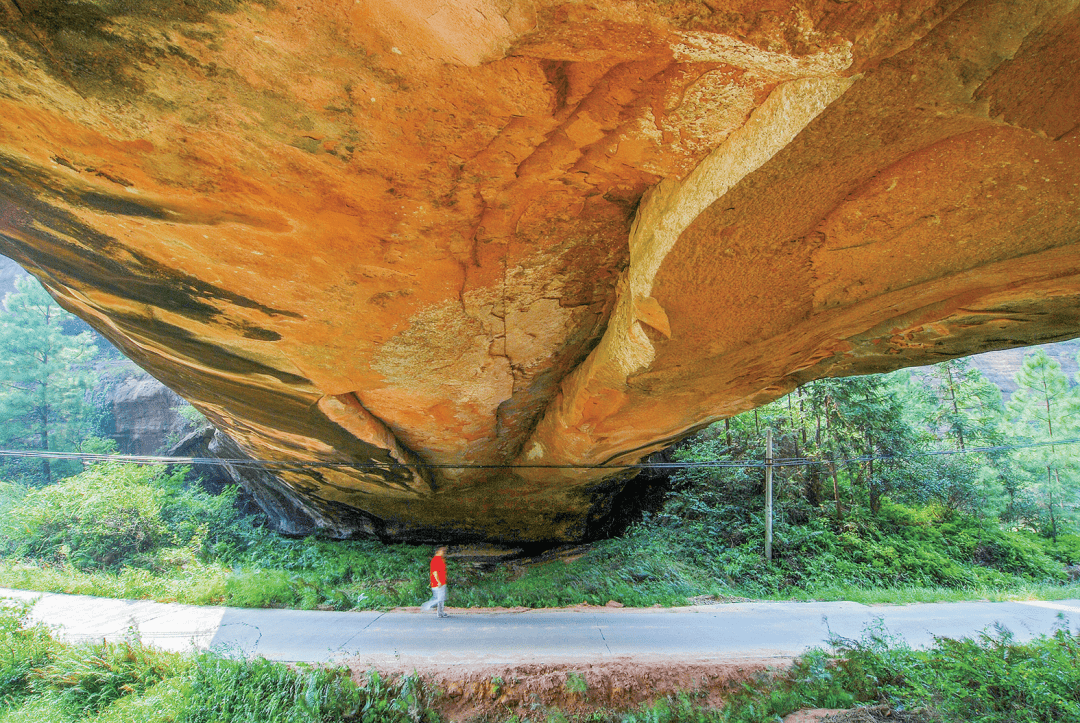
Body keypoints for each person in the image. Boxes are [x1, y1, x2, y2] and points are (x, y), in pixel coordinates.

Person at [420, 546, 449, 617]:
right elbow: (435, 572)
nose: (444, 552)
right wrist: (438, 581)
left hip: (442, 582)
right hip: (438, 583)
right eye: (442, 551)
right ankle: (427, 605)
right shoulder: (436, 560)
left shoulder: (441, 559)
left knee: (441, 600)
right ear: (437, 551)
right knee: (439, 598)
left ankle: (440, 613)